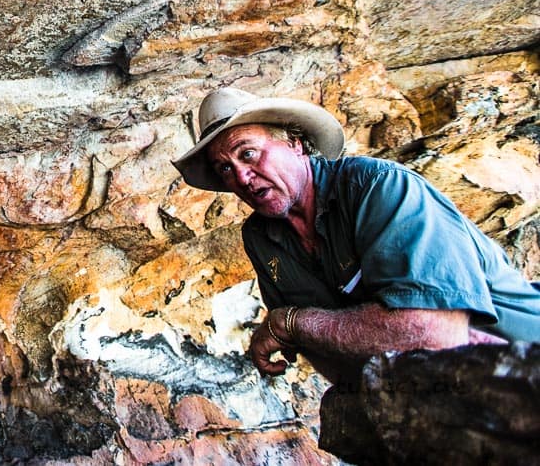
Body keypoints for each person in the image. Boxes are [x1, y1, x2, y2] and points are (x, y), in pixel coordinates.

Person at [172, 87, 540, 383]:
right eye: (225, 168)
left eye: (248, 154)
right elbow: (335, 366)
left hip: (524, 368)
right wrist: (314, 331)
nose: (241, 177)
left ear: (295, 143)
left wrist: (294, 323)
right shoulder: (262, 238)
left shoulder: (380, 189)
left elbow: (435, 336)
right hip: (435, 398)